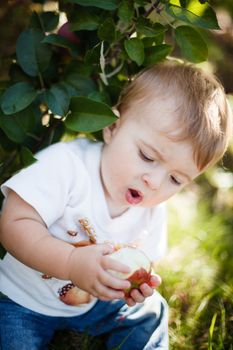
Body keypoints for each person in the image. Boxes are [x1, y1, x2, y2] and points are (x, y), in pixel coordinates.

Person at [0, 61, 232, 350]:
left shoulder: (151, 209)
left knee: (152, 312)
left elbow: (147, 258)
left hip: (94, 306)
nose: (155, 182)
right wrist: (71, 263)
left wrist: (131, 289)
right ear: (112, 127)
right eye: (147, 157)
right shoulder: (66, 166)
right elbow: (13, 223)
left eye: (175, 178)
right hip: (20, 300)